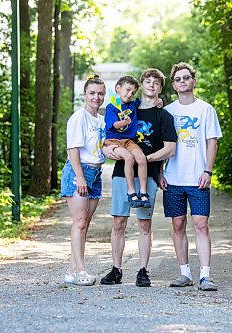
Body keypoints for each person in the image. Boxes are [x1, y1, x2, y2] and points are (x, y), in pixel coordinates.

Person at [101, 68, 177, 287]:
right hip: (120, 172)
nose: (151, 85)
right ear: (141, 85)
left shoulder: (163, 115)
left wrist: (147, 158)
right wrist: (107, 151)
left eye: (156, 83)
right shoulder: (127, 107)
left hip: (149, 174)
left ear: (160, 88)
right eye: (147, 81)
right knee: (118, 222)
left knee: (144, 224)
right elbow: (107, 135)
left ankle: (143, 270)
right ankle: (116, 270)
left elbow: (170, 149)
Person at [160, 62, 222, 291]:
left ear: (193, 81)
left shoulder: (206, 109)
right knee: (177, 224)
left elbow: (212, 142)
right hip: (173, 178)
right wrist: (159, 173)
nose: (182, 81)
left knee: (201, 224)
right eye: (178, 79)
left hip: (198, 178)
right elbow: (161, 146)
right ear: (174, 85)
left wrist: (208, 170)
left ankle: (205, 275)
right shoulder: (168, 111)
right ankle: (184, 273)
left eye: (186, 77)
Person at [60, 74, 106, 286]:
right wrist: (80, 178)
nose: (96, 97)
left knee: (84, 224)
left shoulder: (100, 120)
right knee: (79, 223)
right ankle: (80, 271)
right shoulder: (78, 118)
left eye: (100, 94)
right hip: (80, 173)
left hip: (95, 175)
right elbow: (73, 150)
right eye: (92, 93)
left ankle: (71, 270)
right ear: (85, 94)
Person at [104, 76, 150, 209]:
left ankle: (143, 191)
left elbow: (146, 101)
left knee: (141, 158)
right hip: (114, 141)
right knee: (129, 158)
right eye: (128, 90)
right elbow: (115, 125)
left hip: (129, 141)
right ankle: (131, 191)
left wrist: (158, 101)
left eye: (133, 92)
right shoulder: (111, 107)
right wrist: (124, 122)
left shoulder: (133, 104)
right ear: (118, 89)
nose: (130, 94)